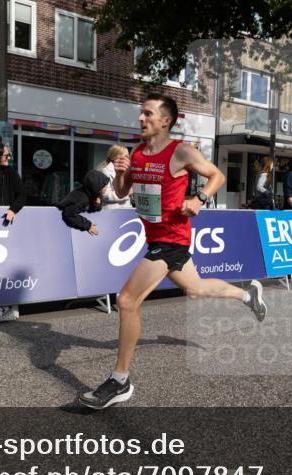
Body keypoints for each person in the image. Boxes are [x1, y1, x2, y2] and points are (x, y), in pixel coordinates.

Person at [79, 94, 267, 409]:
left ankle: (120, 380)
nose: (141, 118)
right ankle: (248, 295)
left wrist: (199, 198)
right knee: (196, 287)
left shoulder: (180, 151)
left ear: (165, 120)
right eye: (140, 113)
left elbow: (216, 175)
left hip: (173, 239)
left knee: (126, 301)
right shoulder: (136, 153)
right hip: (154, 238)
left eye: (148, 113)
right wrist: (123, 172)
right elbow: (124, 192)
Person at [55, 170, 111, 235]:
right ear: (97, 186)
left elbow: (90, 210)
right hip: (56, 220)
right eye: (104, 185)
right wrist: (87, 225)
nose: (107, 187)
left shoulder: (92, 194)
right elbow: (68, 215)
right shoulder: (81, 199)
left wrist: (97, 204)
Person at [97, 144, 133, 209]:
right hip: (112, 212)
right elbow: (105, 196)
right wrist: (127, 194)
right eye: (125, 156)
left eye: (128, 155)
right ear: (115, 157)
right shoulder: (105, 171)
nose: (128, 158)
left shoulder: (127, 170)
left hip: (127, 210)